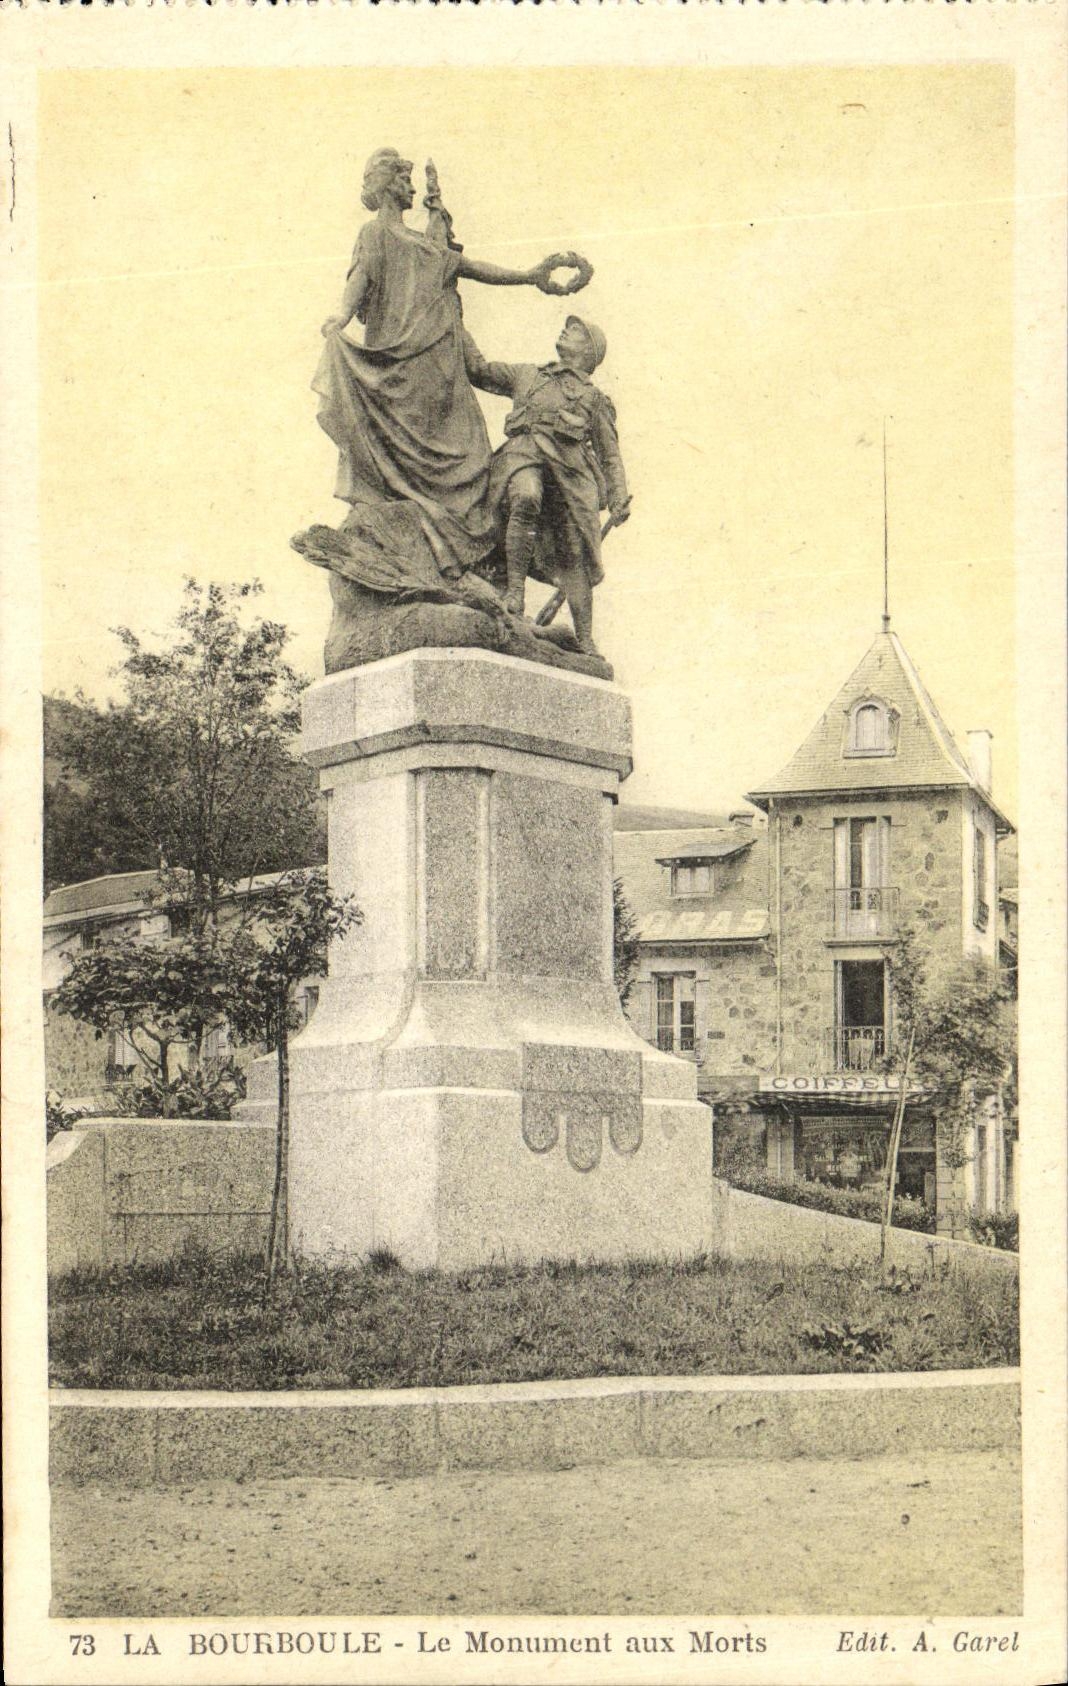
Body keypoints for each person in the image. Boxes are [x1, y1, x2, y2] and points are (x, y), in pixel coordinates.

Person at [314, 148, 591, 580]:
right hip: (399, 367)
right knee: (407, 454)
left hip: (442, 368)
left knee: (469, 454)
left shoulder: (429, 246)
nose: (410, 188)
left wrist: (530, 275)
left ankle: (467, 560)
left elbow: (476, 268)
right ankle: (426, 545)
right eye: (404, 181)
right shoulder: (375, 235)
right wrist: (341, 317)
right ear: (388, 185)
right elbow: (360, 279)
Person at [464, 316, 630, 654]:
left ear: (588, 352)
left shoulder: (594, 399)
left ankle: (584, 637)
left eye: (577, 331)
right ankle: (514, 592)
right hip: (523, 457)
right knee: (525, 495)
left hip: (570, 476)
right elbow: (478, 370)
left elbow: (609, 454)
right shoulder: (528, 375)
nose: (566, 330)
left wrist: (617, 494)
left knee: (575, 549)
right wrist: (453, 320)